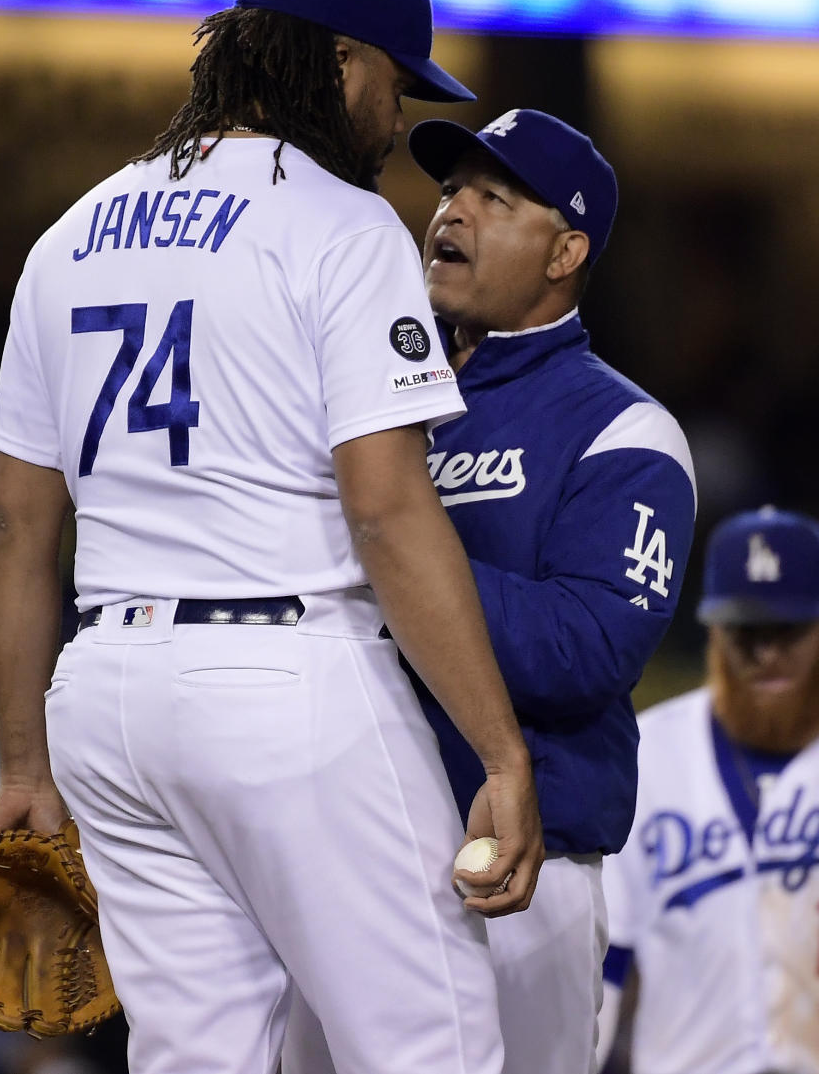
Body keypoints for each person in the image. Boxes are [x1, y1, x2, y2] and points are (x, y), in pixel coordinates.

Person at [0, 0, 544, 1074]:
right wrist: (500, 749)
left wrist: (25, 766)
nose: (397, 119)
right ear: (339, 62)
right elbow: (385, 512)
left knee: (200, 1059)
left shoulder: (67, 238)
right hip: (285, 678)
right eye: (396, 82)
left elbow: (14, 529)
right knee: (436, 1046)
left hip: (108, 702)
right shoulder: (337, 224)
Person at [283, 108, 697, 1074]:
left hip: (513, 872)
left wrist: (396, 555)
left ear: (566, 250)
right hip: (341, 851)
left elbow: (588, 645)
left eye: (492, 198)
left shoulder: (626, 431)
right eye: (449, 191)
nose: (450, 214)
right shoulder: (368, 396)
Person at [597, 505, 819, 1074]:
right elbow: (603, 967)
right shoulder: (645, 754)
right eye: (747, 631)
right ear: (714, 631)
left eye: (788, 630)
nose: (766, 653)